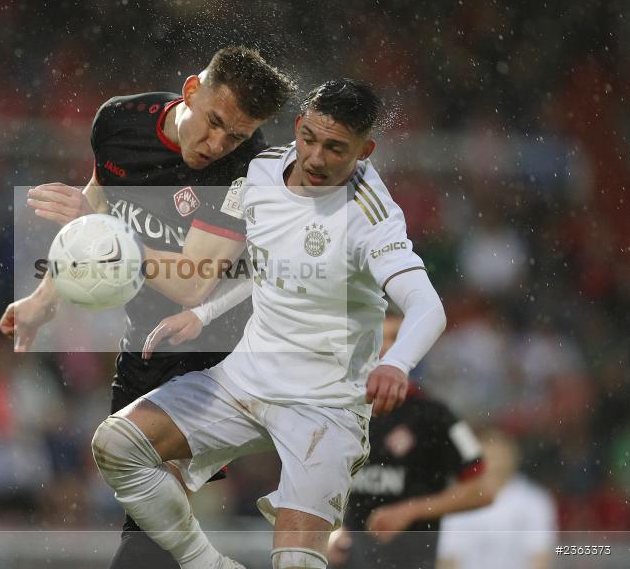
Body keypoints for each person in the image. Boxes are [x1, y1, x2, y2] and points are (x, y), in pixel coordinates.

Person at [92, 79, 448, 569]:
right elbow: (266, 265)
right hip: (245, 378)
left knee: (296, 562)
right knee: (117, 444)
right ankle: (207, 566)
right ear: (298, 125)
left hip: (325, 404)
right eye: (309, 138)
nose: (316, 158)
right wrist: (203, 313)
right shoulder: (260, 171)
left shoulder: (372, 215)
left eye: (335, 148)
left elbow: (428, 306)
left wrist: (396, 363)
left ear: (364, 151)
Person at [0, 46, 296, 568]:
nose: (218, 144)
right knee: (144, 512)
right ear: (190, 92)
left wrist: (102, 228)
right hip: (146, 343)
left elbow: (193, 282)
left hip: (220, 356)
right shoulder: (120, 121)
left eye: (235, 135)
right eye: (214, 123)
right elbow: (98, 201)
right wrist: (45, 298)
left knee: (151, 517)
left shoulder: (248, 167)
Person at [325, 312, 489, 569]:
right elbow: (312, 486)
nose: (385, 347)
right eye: (375, 338)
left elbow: (481, 491)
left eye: (395, 338)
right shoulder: (335, 412)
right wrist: (326, 532)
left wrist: (411, 510)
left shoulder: (436, 416)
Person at [436, 430, 557, 569]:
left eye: (499, 456)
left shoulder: (534, 500)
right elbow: (448, 558)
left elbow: (540, 556)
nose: (495, 463)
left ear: (512, 457)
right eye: (489, 456)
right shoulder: (456, 500)